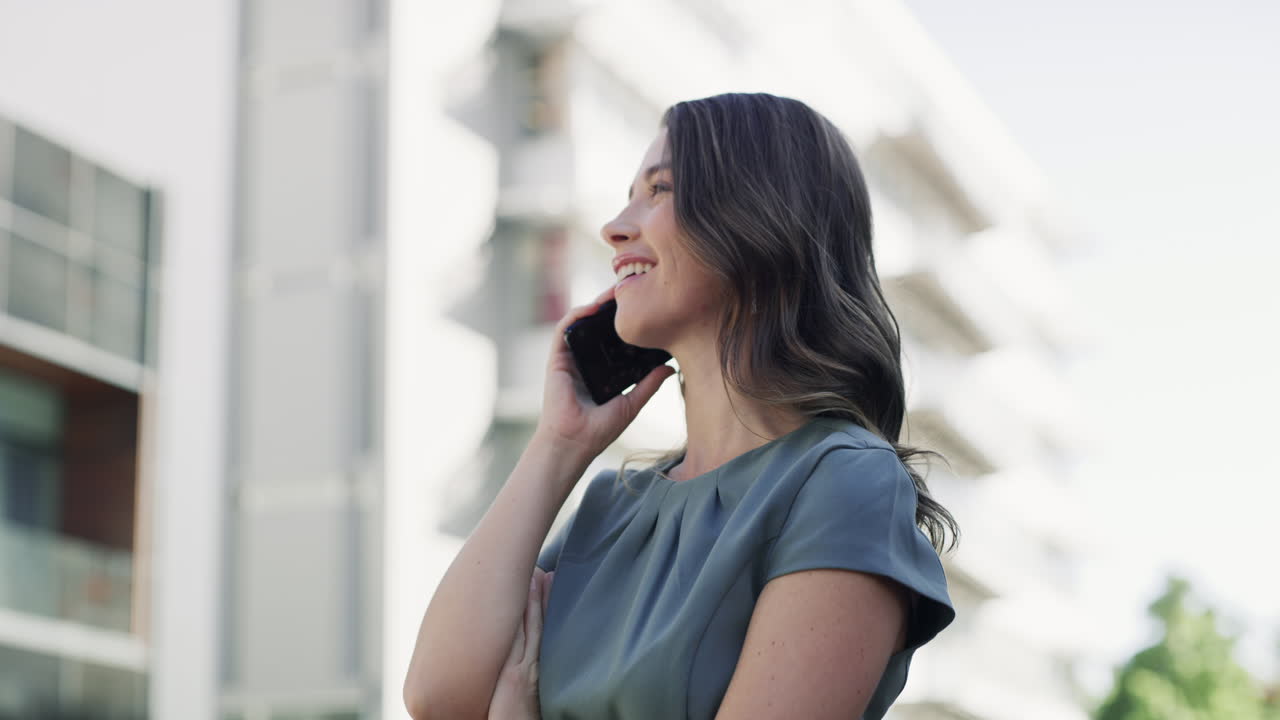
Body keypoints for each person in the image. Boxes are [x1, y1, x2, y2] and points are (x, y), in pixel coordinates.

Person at [403, 91, 959, 720]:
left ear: (757, 219)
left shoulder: (844, 481)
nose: (615, 227)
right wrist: (558, 445)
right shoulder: (612, 505)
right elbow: (438, 697)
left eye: (659, 190)